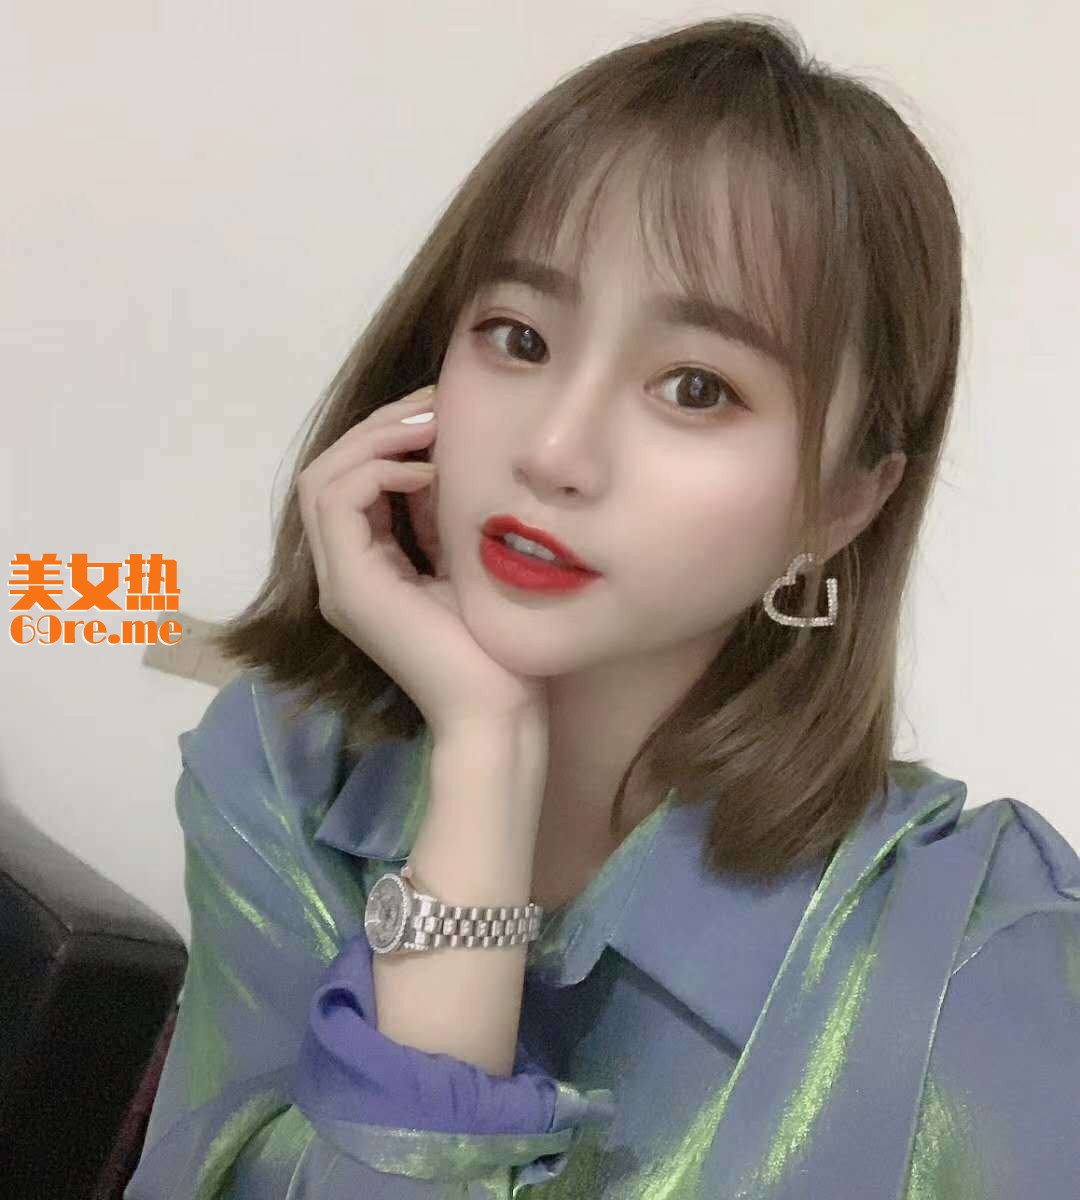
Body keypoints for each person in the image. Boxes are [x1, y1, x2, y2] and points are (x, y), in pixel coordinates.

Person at [125, 16, 1080, 1199]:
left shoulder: (979, 958)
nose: (557, 450)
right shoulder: (287, 777)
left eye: (698, 388)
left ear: (843, 500)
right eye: (518, 337)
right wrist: (484, 763)